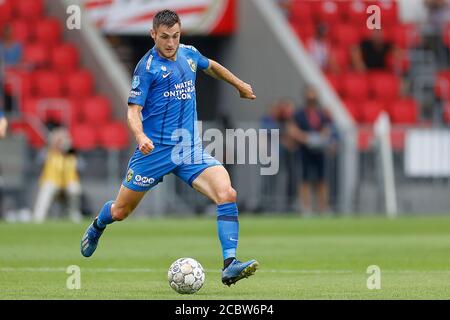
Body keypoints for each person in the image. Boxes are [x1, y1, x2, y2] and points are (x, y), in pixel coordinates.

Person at [80, 10, 259, 286]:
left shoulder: (188, 54)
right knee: (120, 212)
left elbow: (210, 66)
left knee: (227, 193)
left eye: (175, 36)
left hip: (188, 149)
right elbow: (133, 111)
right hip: (154, 152)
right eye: (164, 37)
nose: (170, 43)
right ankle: (97, 226)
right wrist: (140, 136)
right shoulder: (147, 68)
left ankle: (229, 264)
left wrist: (239, 85)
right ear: (153, 34)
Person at [287, 86, 333, 215]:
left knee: (322, 179)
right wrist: (306, 138)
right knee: (304, 179)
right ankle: (306, 208)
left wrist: (320, 139)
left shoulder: (322, 113)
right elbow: (292, 129)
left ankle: (323, 207)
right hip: (304, 150)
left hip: (319, 151)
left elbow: (327, 128)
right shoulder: (299, 114)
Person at [33, 127, 82, 223]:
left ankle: (74, 215)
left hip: (67, 185)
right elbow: (38, 160)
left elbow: (82, 166)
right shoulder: (48, 153)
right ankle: (38, 217)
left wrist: (70, 152)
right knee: (47, 188)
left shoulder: (72, 155)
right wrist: (52, 146)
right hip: (53, 184)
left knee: (74, 188)